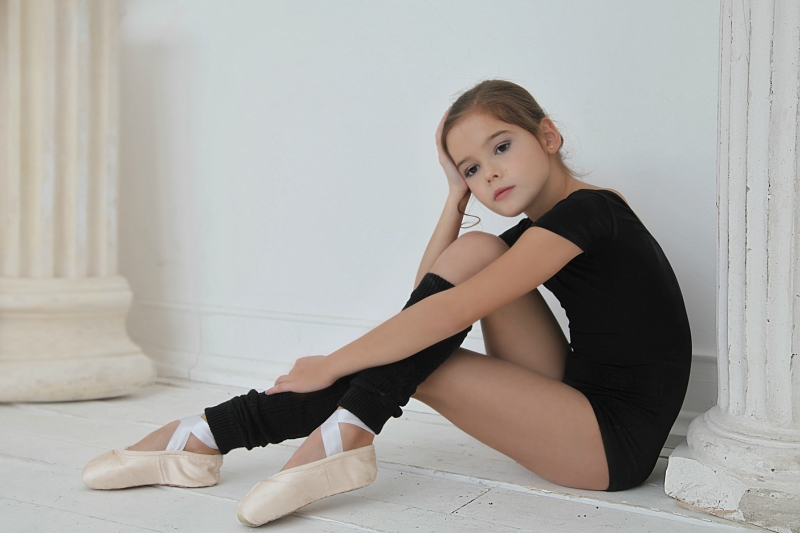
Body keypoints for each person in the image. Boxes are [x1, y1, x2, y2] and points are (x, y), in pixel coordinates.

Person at [82, 79, 692, 527]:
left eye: (502, 147)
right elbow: (429, 295)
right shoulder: (540, 230)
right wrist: (453, 201)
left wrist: (330, 364)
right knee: (470, 261)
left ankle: (225, 432)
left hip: (610, 444)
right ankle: (264, 436)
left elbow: (440, 315)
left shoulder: (590, 211)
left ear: (549, 136)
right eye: (471, 169)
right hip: (572, 402)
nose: (489, 174)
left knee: (424, 349)